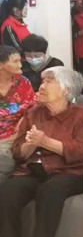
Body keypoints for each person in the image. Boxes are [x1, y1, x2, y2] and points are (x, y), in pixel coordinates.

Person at [0, 67, 83, 237]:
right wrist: (31, 145)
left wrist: (45, 142)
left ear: (65, 90)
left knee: (50, 191)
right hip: (34, 169)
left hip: (70, 171)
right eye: (42, 81)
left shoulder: (81, 115)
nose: (41, 86)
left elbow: (80, 150)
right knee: (8, 191)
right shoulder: (33, 113)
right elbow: (18, 152)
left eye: (49, 81)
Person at [0, 46, 36, 176]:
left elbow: (34, 108)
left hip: (14, 134)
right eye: (15, 61)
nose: (20, 65)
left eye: (20, 60)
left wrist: (23, 120)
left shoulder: (23, 83)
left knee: (3, 155)